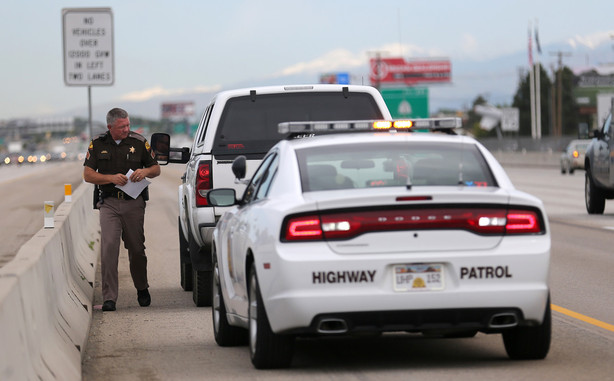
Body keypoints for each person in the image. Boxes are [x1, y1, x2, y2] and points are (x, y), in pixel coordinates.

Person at [83, 108, 161, 312]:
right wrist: (110, 178)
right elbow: (88, 175)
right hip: (108, 203)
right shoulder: (98, 144)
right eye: (122, 127)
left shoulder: (138, 141)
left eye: (128, 125)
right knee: (109, 248)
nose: (127, 129)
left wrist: (144, 171)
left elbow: (156, 169)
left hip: (133, 203)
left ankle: (142, 287)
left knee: (136, 249)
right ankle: (109, 298)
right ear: (110, 127)